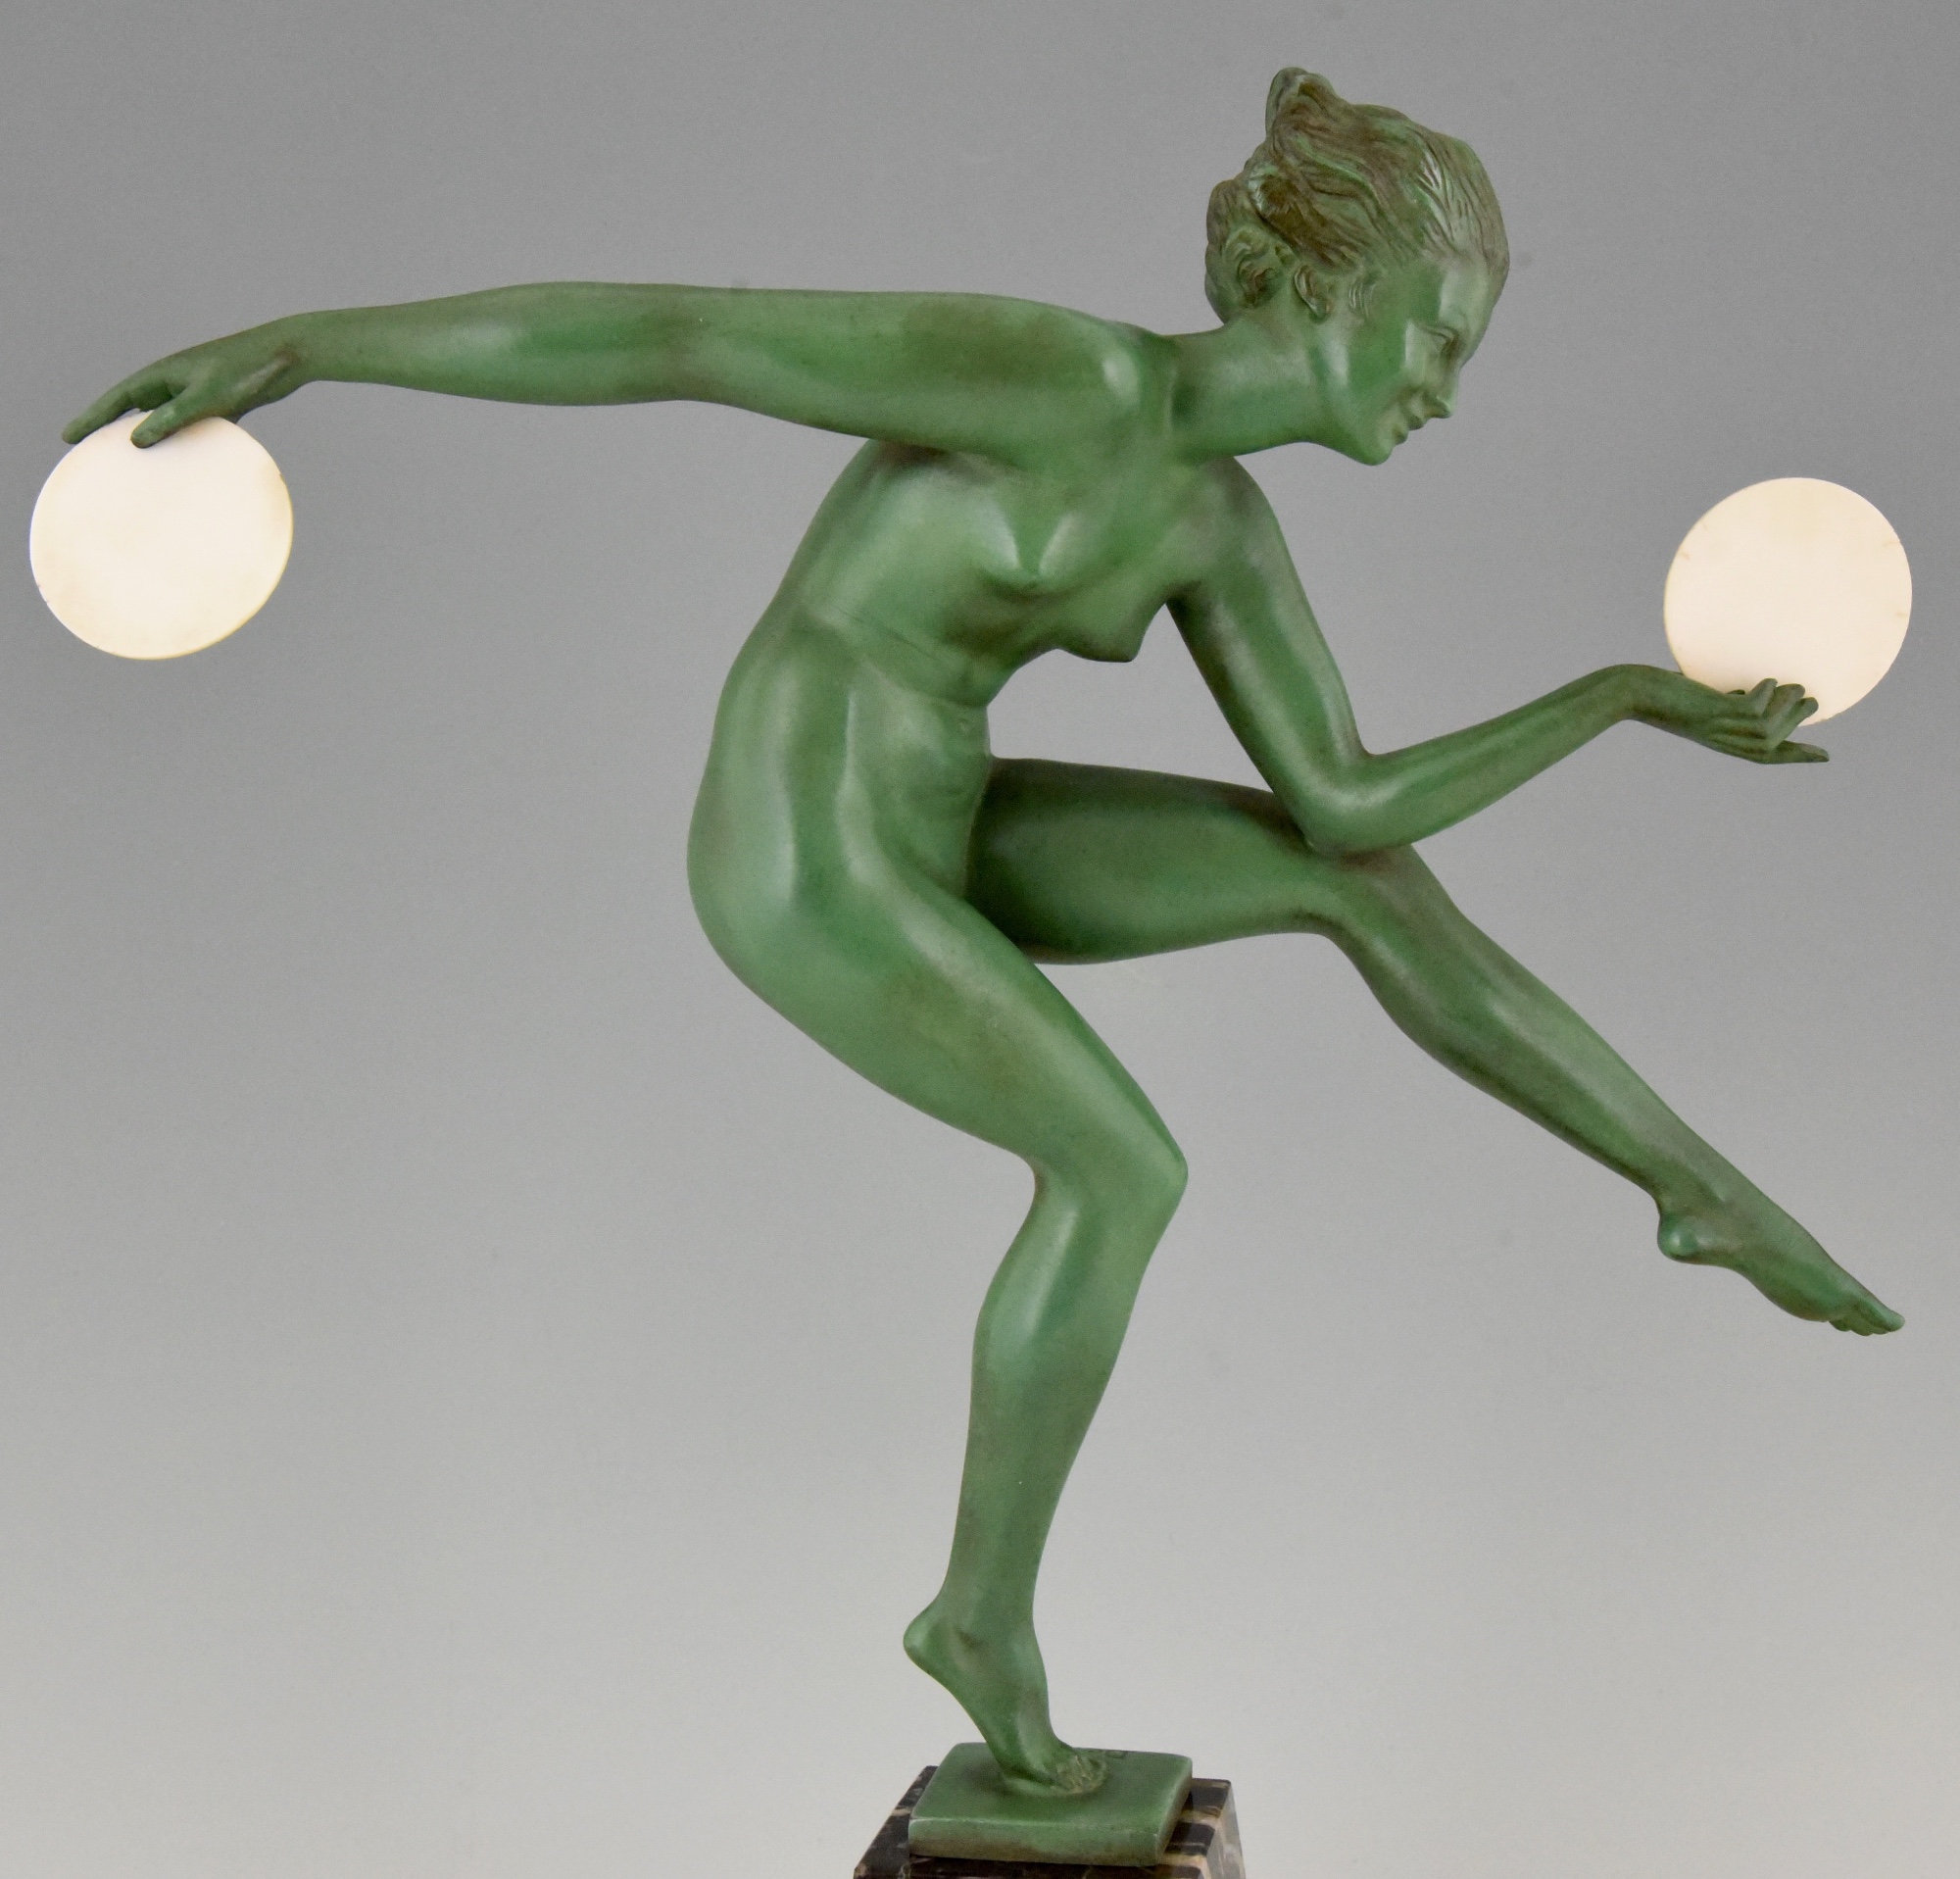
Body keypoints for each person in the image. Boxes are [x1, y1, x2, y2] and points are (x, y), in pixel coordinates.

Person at [66, 68, 1900, 1799]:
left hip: (947, 809)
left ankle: (1694, 1189)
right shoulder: (1059, 375)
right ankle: (978, 1615)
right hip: (804, 834)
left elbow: (1349, 798)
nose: (1446, 391)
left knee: (1358, 884)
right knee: (1120, 1165)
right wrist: (310, 345)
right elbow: (680, 335)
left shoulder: (1217, 526)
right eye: (1437, 338)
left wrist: (1616, 697)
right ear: (1315, 288)